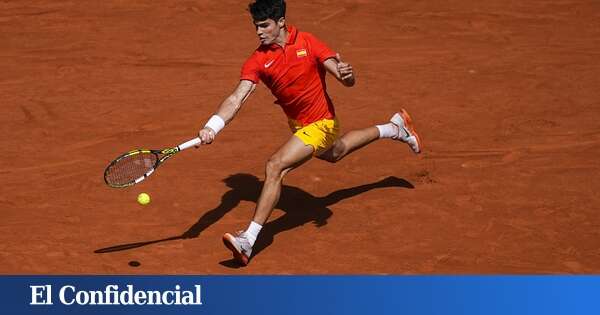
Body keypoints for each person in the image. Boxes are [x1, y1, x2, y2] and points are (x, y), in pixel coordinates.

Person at [197, 0, 422, 266]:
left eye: (264, 26)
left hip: (322, 122)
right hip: (299, 124)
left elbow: (343, 77)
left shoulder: (308, 42)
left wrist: (347, 74)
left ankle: (248, 239)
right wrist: (213, 126)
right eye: (256, 27)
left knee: (275, 167)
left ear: (281, 22)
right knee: (336, 152)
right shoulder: (258, 60)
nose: (259, 32)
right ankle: (394, 127)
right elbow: (237, 98)